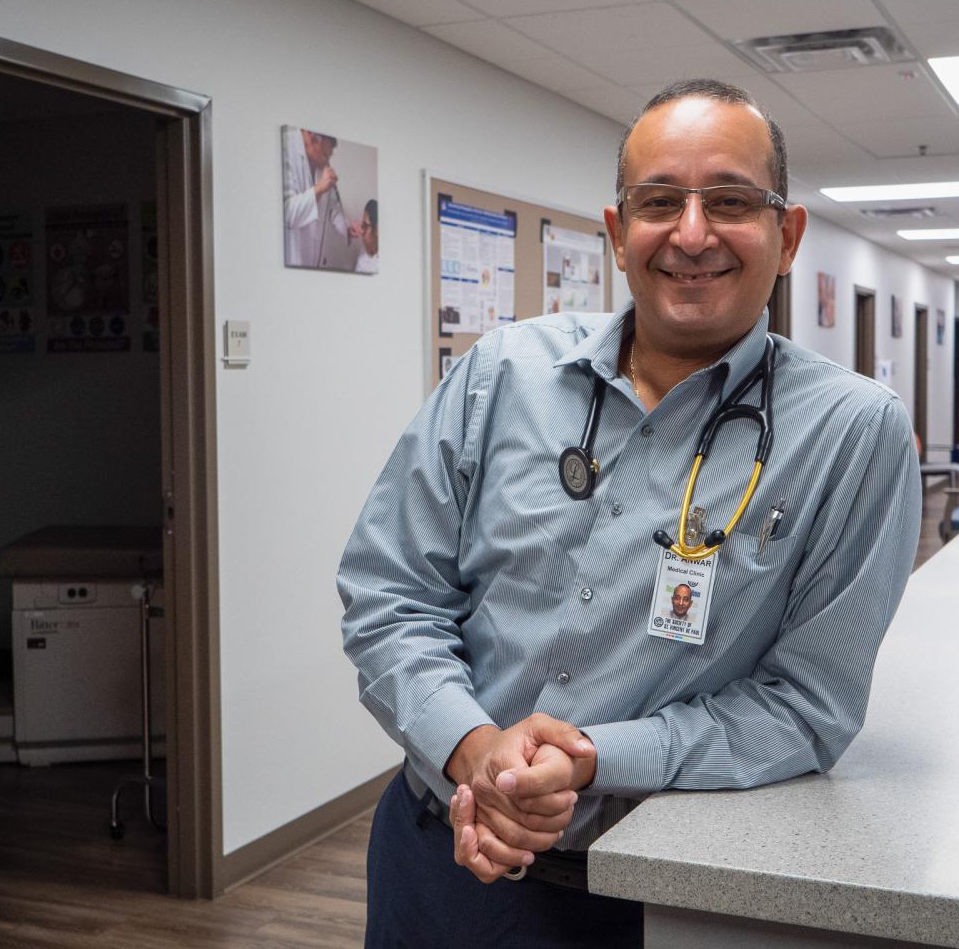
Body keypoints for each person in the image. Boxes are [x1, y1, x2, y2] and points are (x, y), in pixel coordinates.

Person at [338, 78, 921, 948]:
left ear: (787, 235)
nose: (692, 233)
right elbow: (389, 594)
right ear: (617, 233)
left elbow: (807, 707)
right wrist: (473, 749)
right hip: (439, 853)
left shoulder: (851, 433)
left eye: (731, 201)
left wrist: (589, 759)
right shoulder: (501, 374)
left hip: (647, 892)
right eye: (659, 202)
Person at [282, 128, 360, 268]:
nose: (327, 162)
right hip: (290, 261)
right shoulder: (285, 146)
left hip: (312, 263)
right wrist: (319, 189)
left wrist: (347, 228)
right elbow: (287, 214)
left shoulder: (318, 162)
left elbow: (332, 208)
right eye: (325, 155)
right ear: (312, 138)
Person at [355, 199, 378, 274]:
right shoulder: (366, 247)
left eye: (365, 226)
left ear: (376, 230)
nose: (362, 231)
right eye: (363, 225)